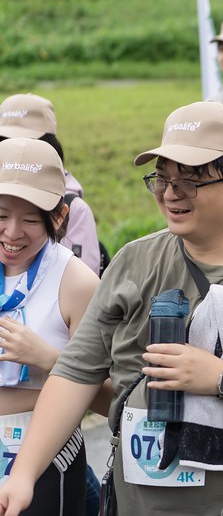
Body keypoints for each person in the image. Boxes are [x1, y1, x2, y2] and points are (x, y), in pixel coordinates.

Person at [0, 101, 223, 515]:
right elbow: (76, 373)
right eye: (163, 178)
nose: (171, 193)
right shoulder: (135, 262)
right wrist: (23, 474)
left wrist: (222, 378)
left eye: (191, 180)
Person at [0, 139, 100, 515]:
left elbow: (107, 394)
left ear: (58, 216)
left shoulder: (77, 282)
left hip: (47, 451)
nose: (12, 233)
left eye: (29, 220)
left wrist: (48, 359)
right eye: (1, 215)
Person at [0, 95, 103, 277]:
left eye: (31, 220)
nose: (17, 151)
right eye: (4, 140)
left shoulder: (73, 207)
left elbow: (80, 280)